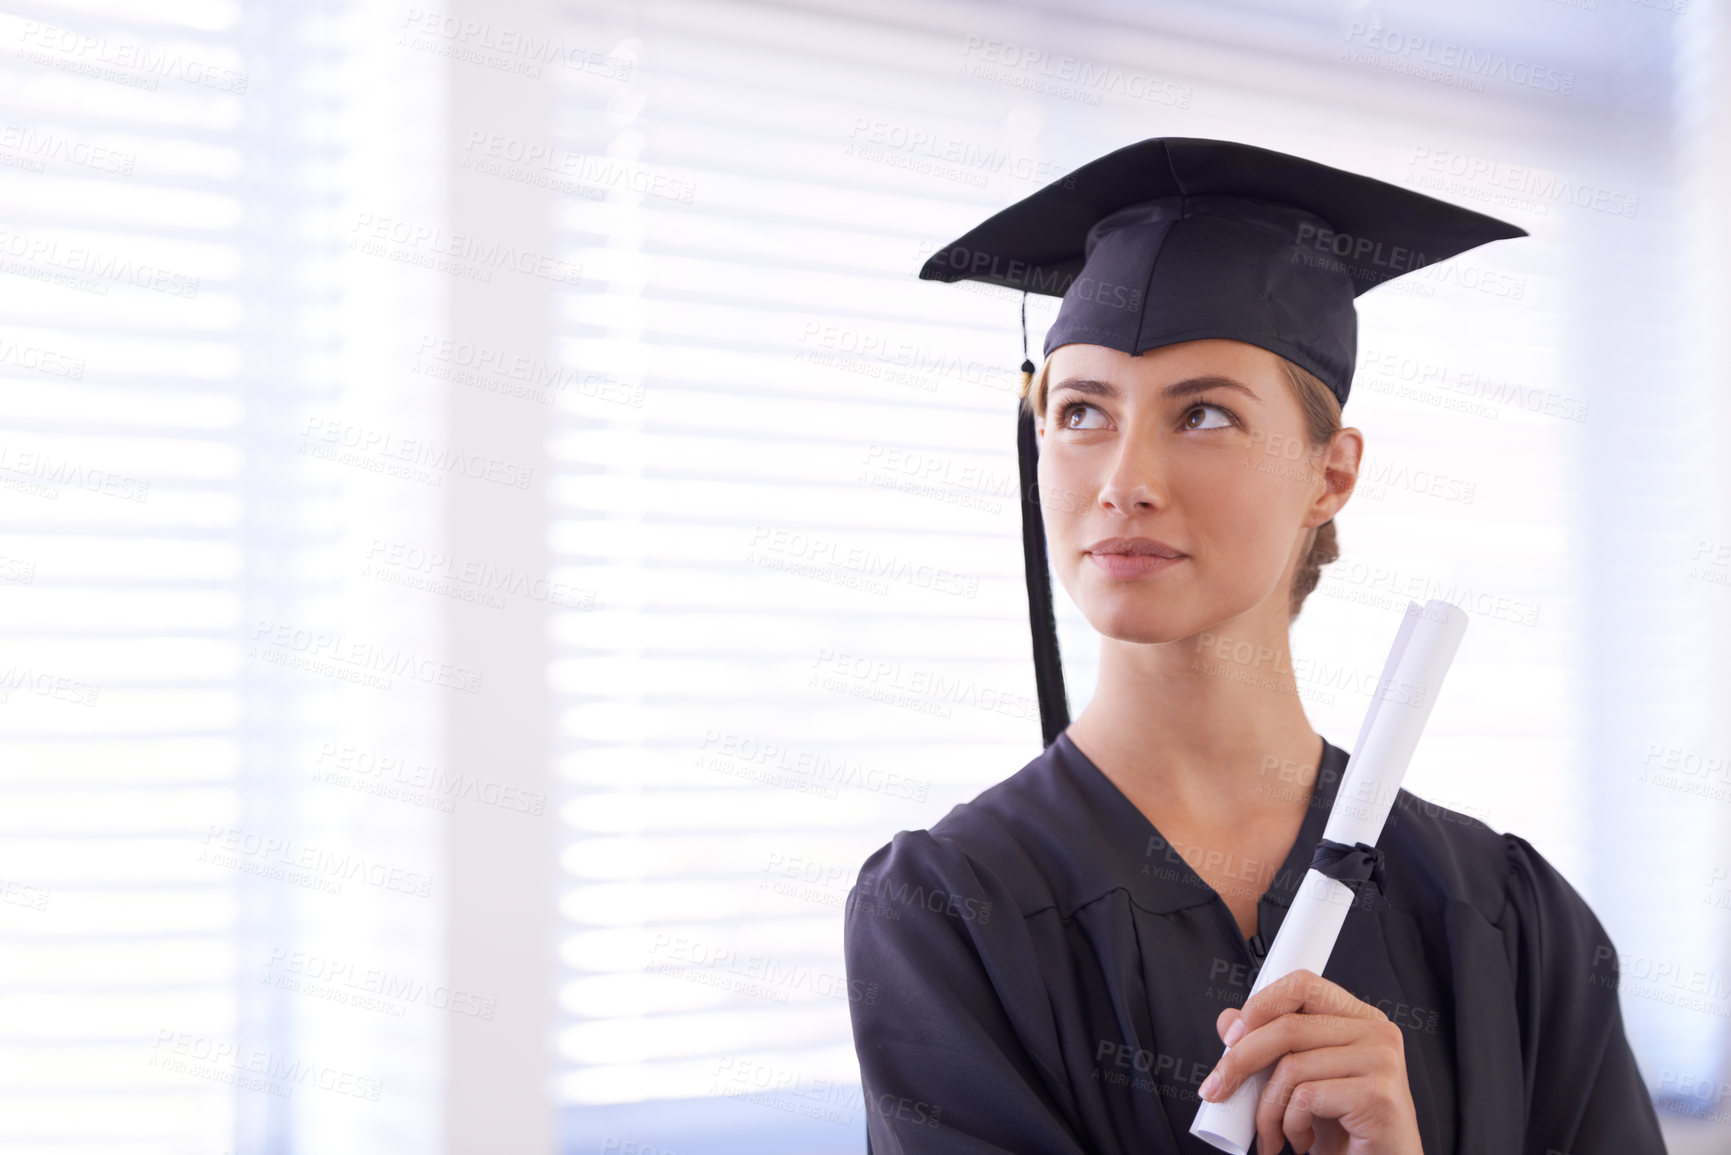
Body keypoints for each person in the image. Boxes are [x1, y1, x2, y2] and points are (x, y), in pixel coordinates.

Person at [842, 138, 1668, 1155]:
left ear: (1330, 474)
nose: (1124, 480)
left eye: (1203, 414)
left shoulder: (1506, 919)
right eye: (1082, 411)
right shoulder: (953, 914)